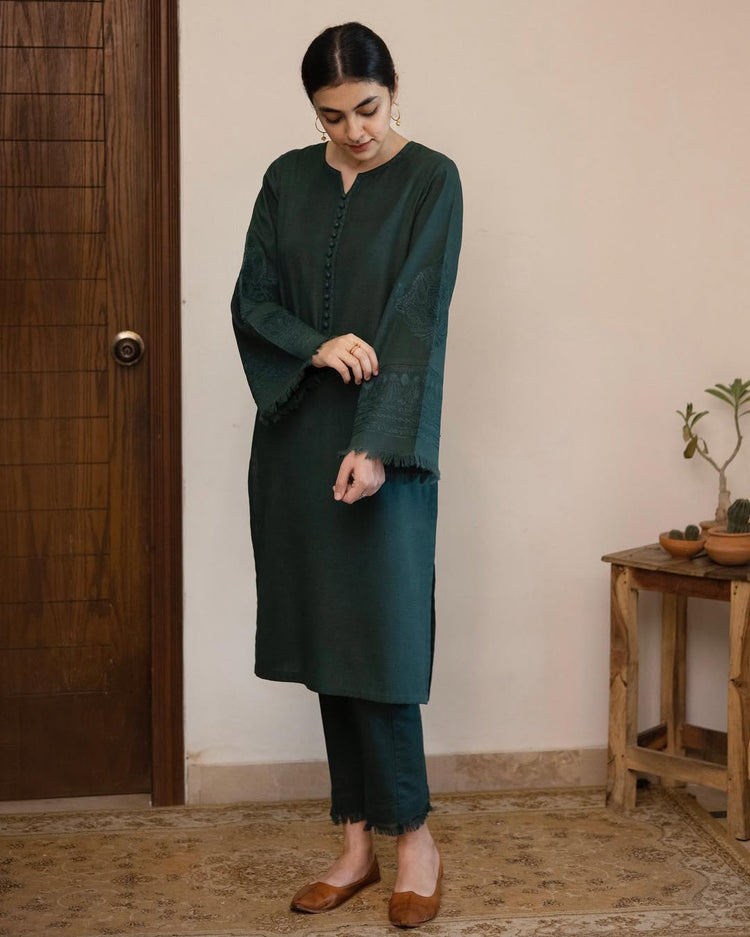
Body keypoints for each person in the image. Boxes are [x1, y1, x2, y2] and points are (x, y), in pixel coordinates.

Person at [231, 21, 462, 929]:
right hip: (297, 438)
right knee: (331, 643)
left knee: (383, 644)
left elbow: (416, 317)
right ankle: (356, 846)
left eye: (367, 108)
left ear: (392, 89)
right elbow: (252, 299)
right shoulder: (286, 179)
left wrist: (375, 446)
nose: (354, 130)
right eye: (332, 116)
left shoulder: (431, 179)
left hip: (384, 444)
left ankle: (416, 844)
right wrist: (317, 343)